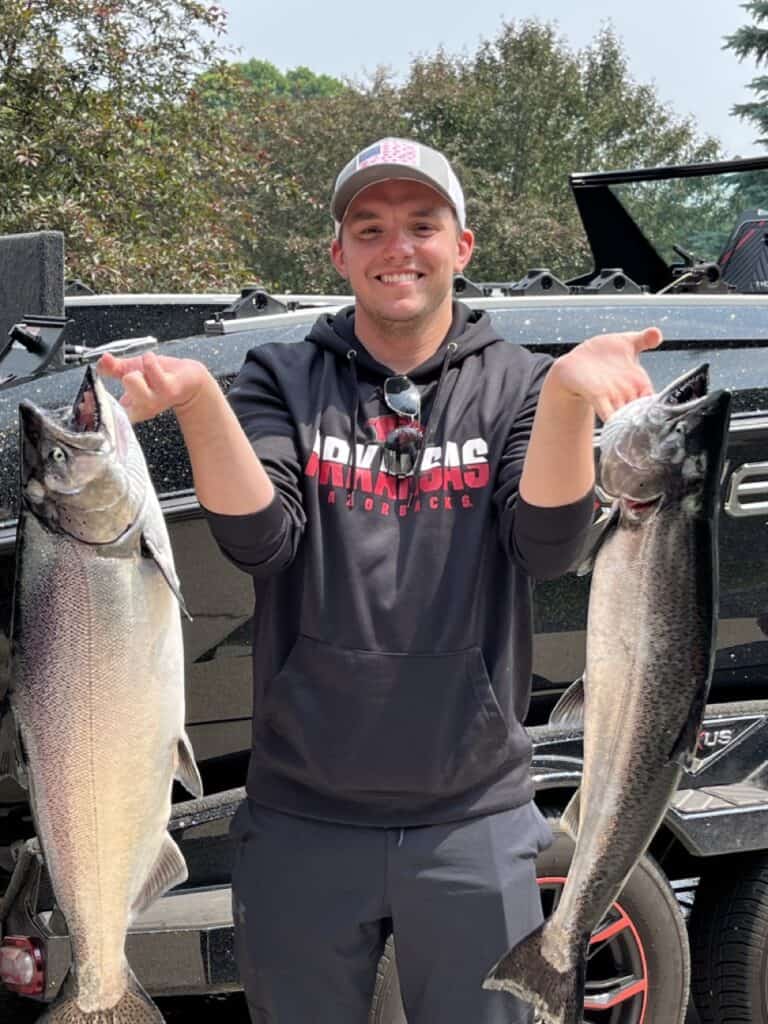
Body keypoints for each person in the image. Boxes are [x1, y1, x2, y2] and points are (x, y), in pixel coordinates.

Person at [98, 137, 661, 1024]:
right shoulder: (280, 377)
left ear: (462, 246)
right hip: (301, 820)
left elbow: (546, 548)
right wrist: (202, 404)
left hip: (473, 818)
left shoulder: (520, 383)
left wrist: (565, 401)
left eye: (421, 224)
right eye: (370, 227)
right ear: (340, 255)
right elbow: (261, 541)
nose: (397, 246)